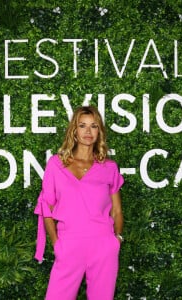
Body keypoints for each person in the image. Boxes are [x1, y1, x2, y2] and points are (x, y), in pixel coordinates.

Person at [34, 105, 124, 300]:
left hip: (103, 246)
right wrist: (57, 244)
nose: (88, 132)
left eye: (94, 126)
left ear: (99, 131)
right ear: (74, 130)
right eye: (82, 126)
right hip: (69, 244)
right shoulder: (56, 164)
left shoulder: (109, 167)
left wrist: (116, 240)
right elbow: (46, 207)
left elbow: (116, 210)